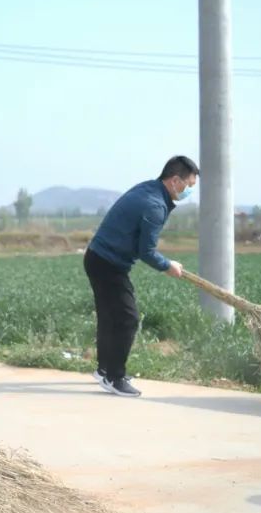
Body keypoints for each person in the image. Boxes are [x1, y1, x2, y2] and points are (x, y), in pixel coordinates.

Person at [84, 155, 199, 398]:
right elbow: (145, 251)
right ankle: (114, 378)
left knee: (109, 317)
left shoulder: (149, 188)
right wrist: (168, 265)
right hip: (108, 264)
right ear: (176, 181)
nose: (189, 191)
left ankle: (105, 369)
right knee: (128, 318)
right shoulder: (155, 205)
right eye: (189, 186)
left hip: (97, 257)